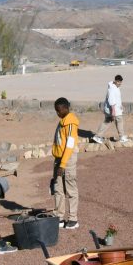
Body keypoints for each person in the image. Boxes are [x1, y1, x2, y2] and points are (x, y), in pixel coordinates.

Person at [51, 97, 80, 229]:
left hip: (67, 160)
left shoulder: (70, 123)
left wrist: (62, 164)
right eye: (56, 111)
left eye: (59, 110)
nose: (57, 113)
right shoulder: (62, 122)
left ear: (66, 108)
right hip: (59, 159)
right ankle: (59, 217)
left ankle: (73, 218)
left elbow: (70, 145)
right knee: (58, 189)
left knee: (70, 189)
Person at [92, 75, 124, 144]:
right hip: (112, 109)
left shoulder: (115, 87)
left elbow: (117, 98)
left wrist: (120, 105)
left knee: (107, 122)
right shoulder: (112, 89)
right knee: (119, 120)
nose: (120, 83)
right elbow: (112, 101)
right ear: (115, 81)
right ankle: (122, 137)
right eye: (118, 82)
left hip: (111, 109)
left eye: (120, 82)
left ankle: (97, 136)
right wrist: (113, 111)